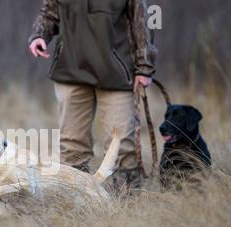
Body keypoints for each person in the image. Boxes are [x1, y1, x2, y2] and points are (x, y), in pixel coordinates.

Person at [29, 0, 157, 189]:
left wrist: (144, 66)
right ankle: (75, 205)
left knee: (121, 147)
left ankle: (127, 210)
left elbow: (142, 23)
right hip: (70, 71)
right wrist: (39, 35)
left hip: (117, 74)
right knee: (72, 148)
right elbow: (49, 14)